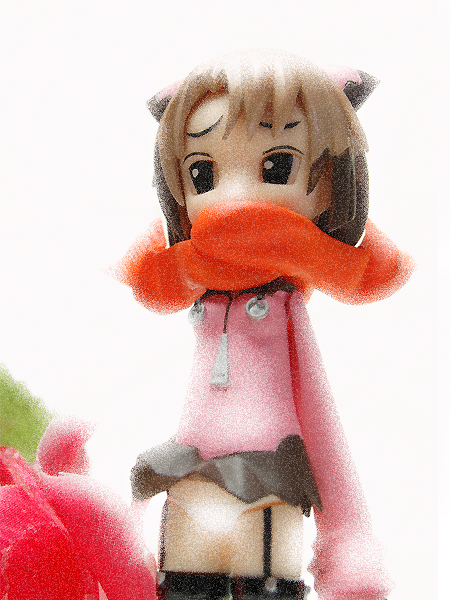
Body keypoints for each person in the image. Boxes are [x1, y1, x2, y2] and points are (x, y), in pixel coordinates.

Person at [116, 50, 413, 600]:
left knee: (266, 583)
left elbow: (319, 413)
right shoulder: (199, 290)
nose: (233, 199)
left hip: (270, 479)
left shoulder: (281, 307)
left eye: (276, 167)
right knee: (184, 582)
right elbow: (141, 276)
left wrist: (346, 529)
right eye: (202, 173)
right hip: (192, 470)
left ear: (330, 185)